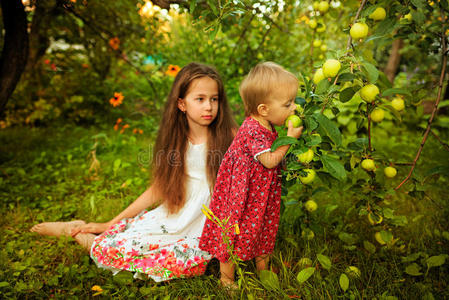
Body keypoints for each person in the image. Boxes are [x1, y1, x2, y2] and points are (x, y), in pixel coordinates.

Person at [31, 62, 237, 282]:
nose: (209, 107)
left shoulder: (230, 136)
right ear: (182, 104)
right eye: (200, 99)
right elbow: (160, 188)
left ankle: (93, 235)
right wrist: (109, 223)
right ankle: (79, 233)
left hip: (205, 223)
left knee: (181, 265)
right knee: (122, 247)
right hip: (177, 217)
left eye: (214, 99)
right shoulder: (178, 141)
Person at [199, 62, 303, 286]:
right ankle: (226, 280)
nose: (294, 108)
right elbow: (269, 160)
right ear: (264, 109)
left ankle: (263, 270)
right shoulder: (252, 129)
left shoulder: (269, 126)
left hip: (259, 193)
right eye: (288, 104)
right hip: (242, 195)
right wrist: (291, 139)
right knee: (235, 229)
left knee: (264, 225)